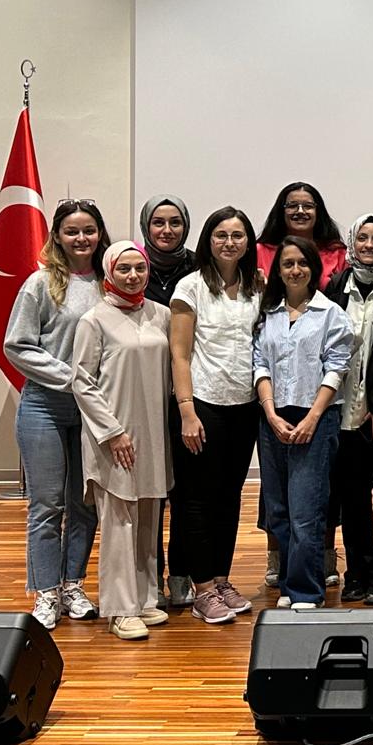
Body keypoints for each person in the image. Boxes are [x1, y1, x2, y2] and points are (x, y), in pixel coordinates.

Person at [4, 199, 108, 630]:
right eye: (72, 231)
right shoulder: (40, 283)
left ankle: (73, 584)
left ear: (100, 234)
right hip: (45, 405)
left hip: (92, 412)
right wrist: (71, 379)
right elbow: (17, 344)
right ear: (58, 237)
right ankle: (46, 592)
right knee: (47, 503)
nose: (81, 238)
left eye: (89, 230)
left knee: (84, 503)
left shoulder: (111, 281)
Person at [72, 241, 173, 640]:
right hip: (113, 435)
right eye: (124, 269)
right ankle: (118, 608)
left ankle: (145, 598)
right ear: (110, 272)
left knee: (148, 515)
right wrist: (112, 432)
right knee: (118, 520)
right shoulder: (94, 320)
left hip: (152, 432)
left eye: (139, 268)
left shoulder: (160, 315)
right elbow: (82, 380)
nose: (133, 276)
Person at [170, 207, 263, 625]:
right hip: (202, 404)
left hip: (243, 406)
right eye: (221, 234)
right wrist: (187, 410)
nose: (230, 242)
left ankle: (222, 578)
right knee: (196, 500)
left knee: (229, 496)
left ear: (248, 241)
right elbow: (180, 353)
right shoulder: (190, 287)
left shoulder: (257, 286)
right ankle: (202, 586)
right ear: (208, 239)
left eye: (238, 235)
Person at [252, 237, 352, 609]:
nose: (295, 270)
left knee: (306, 511)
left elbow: (336, 368)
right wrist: (271, 413)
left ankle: (307, 591)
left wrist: (312, 417)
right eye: (288, 264)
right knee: (278, 510)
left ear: (315, 268)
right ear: (278, 270)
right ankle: (290, 587)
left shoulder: (331, 315)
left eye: (302, 264)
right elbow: (260, 363)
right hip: (274, 418)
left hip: (316, 418)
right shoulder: (268, 314)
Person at [323, 213, 373, 604]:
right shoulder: (336, 287)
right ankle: (357, 571)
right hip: (343, 413)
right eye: (363, 239)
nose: (369, 246)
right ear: (352, 243)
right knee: (352, 499)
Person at [138, 195, 197, 609]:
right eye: (158, 222)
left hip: (188, 396)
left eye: (175, 222)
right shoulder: (131, 266)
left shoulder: (198, 268)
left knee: (187, 492)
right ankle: (150, 576)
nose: (167, 230)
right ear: (146, 226)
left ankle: (181, 573)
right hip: (141, 397)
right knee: (150, 494)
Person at [256, 182, 348, 287]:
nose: (300, 211)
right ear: (281, 212)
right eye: (293, 205)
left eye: (308, 206)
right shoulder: (260, 252)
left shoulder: (338, 254)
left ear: (318, 212)